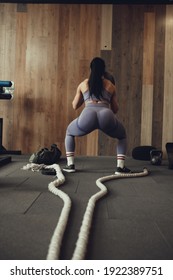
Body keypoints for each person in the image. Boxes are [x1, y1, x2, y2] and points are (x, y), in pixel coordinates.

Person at [63, 57, 131, 174]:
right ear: (103, 70)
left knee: (69, 132)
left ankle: (71, 165)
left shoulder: (83, 84)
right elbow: (115, 109)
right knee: (122, 136)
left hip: (87, 115)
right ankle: (120, 168)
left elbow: (75, 106)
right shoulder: (110, 85)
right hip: (106, 114)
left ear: (91, 69)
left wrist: (85, 98)